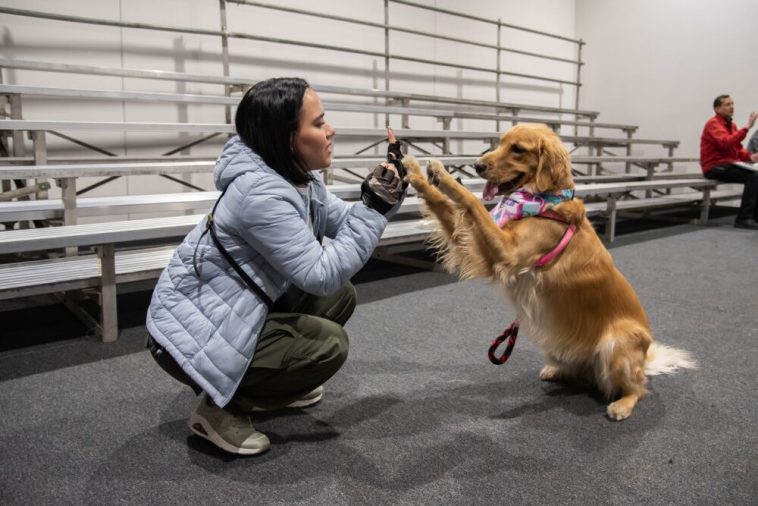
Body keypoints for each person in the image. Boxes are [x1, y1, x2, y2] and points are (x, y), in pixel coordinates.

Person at [146, 77, 407, 455]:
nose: (330, 130)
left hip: (231, 310)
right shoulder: (260, 192)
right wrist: (375, 209)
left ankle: (275, 384)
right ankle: (219, 410)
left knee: (340, 295)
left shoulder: (296, 177)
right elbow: (320, 274)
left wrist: (382, 196)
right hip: (187, 334)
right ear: (287, 138)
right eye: (318, 123)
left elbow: (345, 222)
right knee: (327, 346)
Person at [699, 94, 758, 230]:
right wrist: (747, 127)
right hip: (714, 166)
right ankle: (744, 219)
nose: (732, 107)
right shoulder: (713, 123)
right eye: (727, 104)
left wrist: (751, 157)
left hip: (728, 164)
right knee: (754, 177)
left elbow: (736, 148)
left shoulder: (731, 125)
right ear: (717, 108)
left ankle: (755, 217)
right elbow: (725, 143)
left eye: (732, 104)